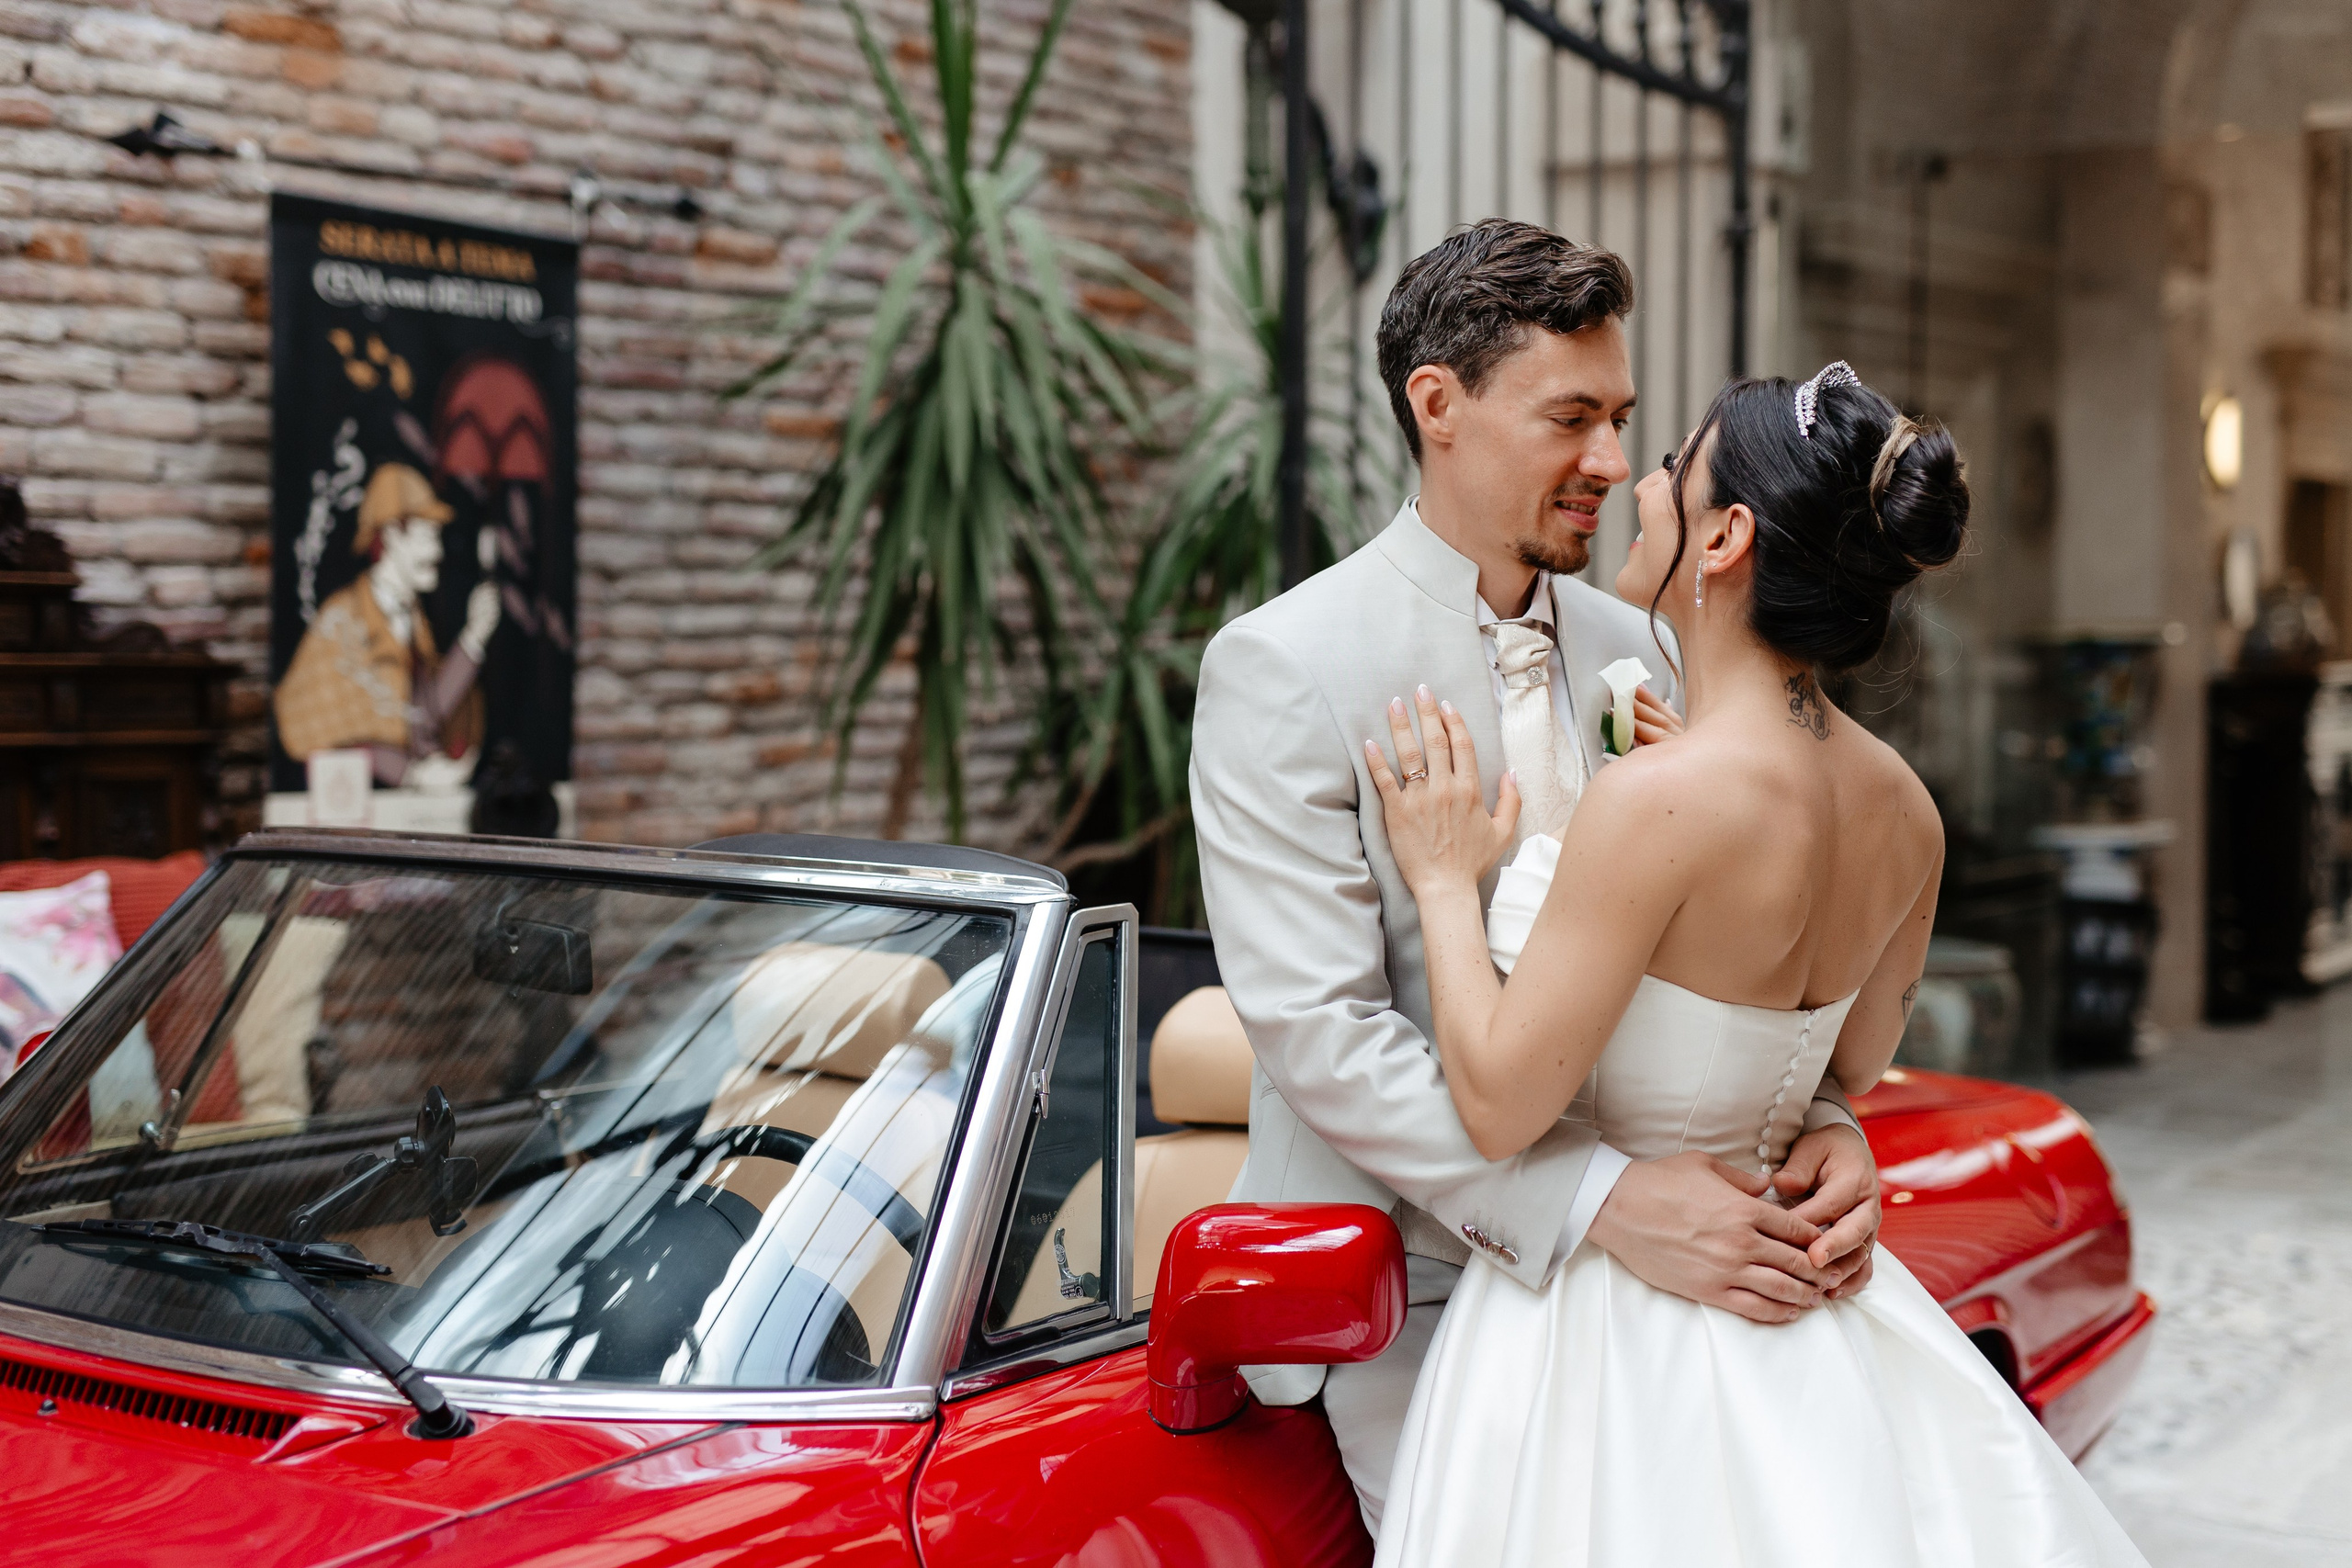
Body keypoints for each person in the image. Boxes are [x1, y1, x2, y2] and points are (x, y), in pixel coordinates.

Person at [1362, 360, 2149, 1565]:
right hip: (1801, 1316)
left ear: (1725, 537)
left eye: (1671, 467)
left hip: (1611, 1335)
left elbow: (1500, 1102)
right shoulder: (1906, 809)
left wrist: (1439, 882)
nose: (1641, 485)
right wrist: (1828, 1123)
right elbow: (1853, 1066)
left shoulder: (1657, 799)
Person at [1189, 220, 1883, 1532]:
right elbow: (1323, 1032)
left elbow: (1727, 956)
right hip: (1408, 1296)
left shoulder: (1652, 644)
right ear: (1437, 405)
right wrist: (1605, 1204)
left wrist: (1827, 1126)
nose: (1613, 463)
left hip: (1684, 1279)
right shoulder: (1284, 665)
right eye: (1572, 418)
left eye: (1620, 419)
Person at [275, 461, 498, 785]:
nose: (437, 552)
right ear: (392, 535)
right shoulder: (343, 619)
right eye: (428, 537)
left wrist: (474, 637)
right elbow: (312, 728)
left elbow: (422, 713)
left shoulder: (412, 619)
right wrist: (410, 774)